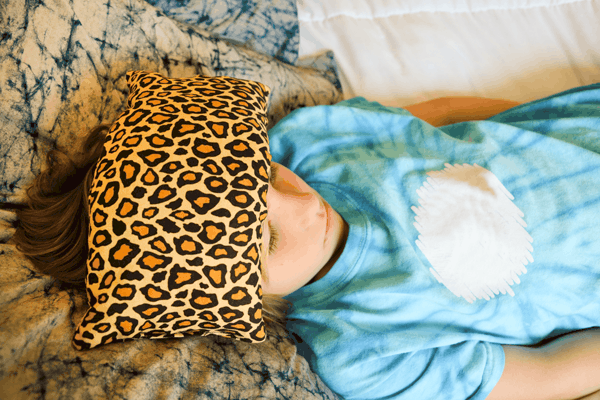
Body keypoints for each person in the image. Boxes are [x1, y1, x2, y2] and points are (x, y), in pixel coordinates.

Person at [13, 83, 600, 400]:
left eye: (263, 174)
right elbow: (546, 375)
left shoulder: (311, 142)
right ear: (236, 299)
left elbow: (444, 115)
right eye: (265, 238)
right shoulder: (364, 351)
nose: (301, 203)